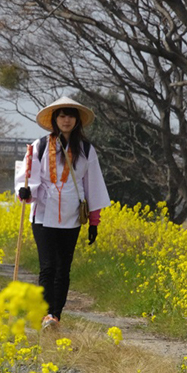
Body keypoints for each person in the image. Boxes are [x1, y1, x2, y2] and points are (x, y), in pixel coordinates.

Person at [16, 97, 110, 330]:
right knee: (47, 266)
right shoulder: (38, 146)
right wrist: (25, 192)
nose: (66, 119)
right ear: (55, 120)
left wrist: (94, 222)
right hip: (43, 212)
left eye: (70, 115)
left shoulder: (87, 150)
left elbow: (93, 185)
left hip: (71, 213)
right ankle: (46, 313)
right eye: (61, 115)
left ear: (77, 120)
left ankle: (55, 315)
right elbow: (27, 179)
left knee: (63, 267)